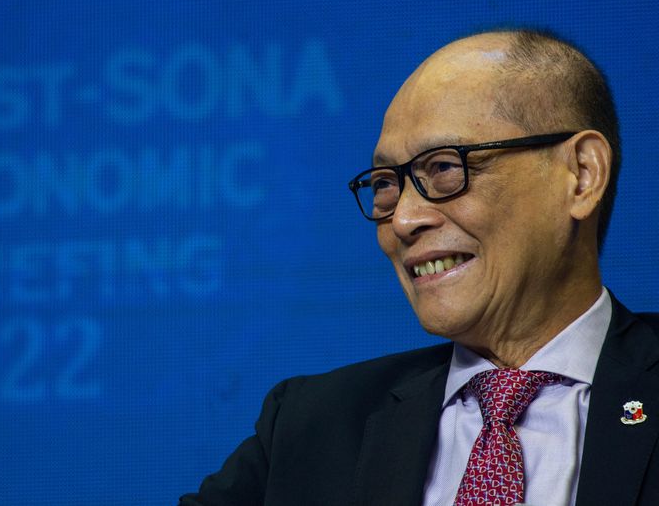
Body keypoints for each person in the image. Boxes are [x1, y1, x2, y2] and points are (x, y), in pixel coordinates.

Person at [179, 29, 659, 506]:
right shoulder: (312, 426)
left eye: (446, 168)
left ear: (581, 176)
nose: (403, 220)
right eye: (386, 184)